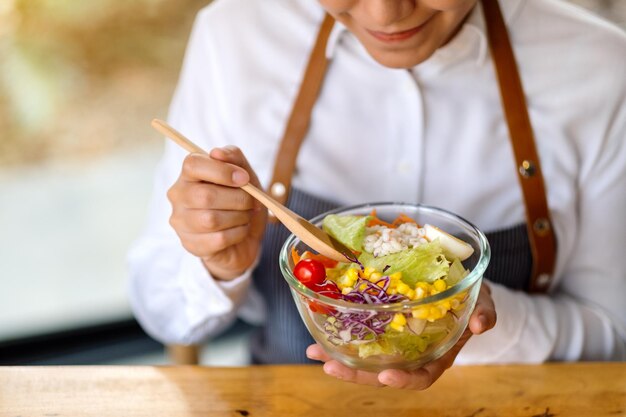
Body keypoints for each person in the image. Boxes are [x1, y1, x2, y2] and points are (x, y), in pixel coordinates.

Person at [128, 0, 626, 390]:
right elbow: (164, 313)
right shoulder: (236, 34)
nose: (385, 13)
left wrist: (471, 314)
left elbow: (615, 341)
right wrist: (218, 263)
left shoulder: (599, 65)